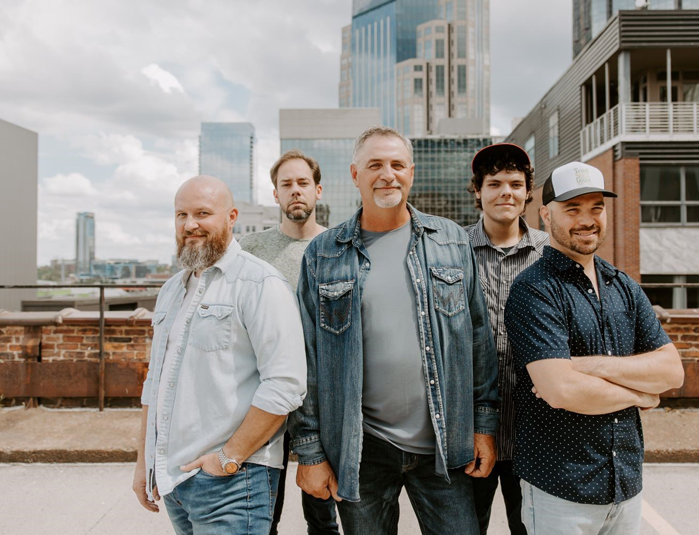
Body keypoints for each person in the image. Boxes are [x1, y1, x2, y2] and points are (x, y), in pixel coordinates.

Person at [289, 126, 499, 535]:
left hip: (444, 443)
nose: (388, 174)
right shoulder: (324, 253)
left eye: (397, 164)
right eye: (375, 165)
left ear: (411, 173)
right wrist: (310, 450)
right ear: (355, 175)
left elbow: (478, 339)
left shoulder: (451, 241)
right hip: (362, 448)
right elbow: (308, 357)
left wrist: (484, 426)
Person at [504, 162, 685, 535]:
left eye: (596, 207)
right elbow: (561, 389)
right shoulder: (534, 289)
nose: (587, 220)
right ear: (545, 213)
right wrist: (641, 394)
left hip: (626, 485)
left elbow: (671, 371)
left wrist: (586, 366)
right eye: (572, 209)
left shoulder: (623, 285)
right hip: (560, 490)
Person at [132, 175, 308, 535]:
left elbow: (286, 384)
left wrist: (228, 458)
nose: (189, 224)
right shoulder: (171, 290)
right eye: (181, 215)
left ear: (232, 217)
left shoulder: (261, 284)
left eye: (202, 213)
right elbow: (156, 383)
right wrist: (144, 463)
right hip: (175, 483)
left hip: (233, 482)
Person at [240, 150, 339, 535]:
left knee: (323, 514)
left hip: (324, 395)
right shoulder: (250, 250)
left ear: (317, 191)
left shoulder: (340, 246)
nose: (295, 191)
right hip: (267, 392)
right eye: (286, 185)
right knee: (266, 511)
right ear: (276, 195)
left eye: (302, 183)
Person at [465, 143, 549, 535]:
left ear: (528, 192)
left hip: (536, 435)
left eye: (516, 184)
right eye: (494, 183)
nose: (506, 193)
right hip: (468, 435)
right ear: (478, 190)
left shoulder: (552, 254)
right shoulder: (452, 252)